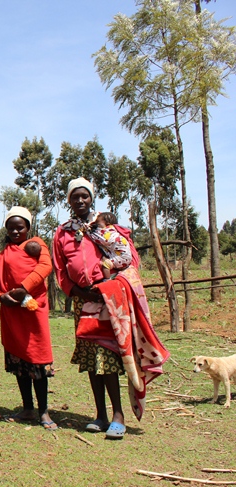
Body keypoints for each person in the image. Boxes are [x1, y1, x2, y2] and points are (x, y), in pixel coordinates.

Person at [53, 178, 168, 439]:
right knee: (90, 358)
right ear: (69, 200)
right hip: (83, 300)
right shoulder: (63, 232)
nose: (80, 201)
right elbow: (61, 270)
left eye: (85, 196)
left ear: (91, 198)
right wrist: (77, 291)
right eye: (75, 197)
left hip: (108, 297)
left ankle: (118, 415)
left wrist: (110, 284)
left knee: (109, 355)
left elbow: (129, 259)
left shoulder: (105, 227)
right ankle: (100, 415)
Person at [0, 207, 57, 430]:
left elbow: (45, 267)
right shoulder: (3, 253)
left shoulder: (38, 245)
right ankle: (28, 408)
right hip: (12, 312)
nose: (15, 231)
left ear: (28, 228)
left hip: (33, 310)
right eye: (11, 228)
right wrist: (2, 297)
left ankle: (44, 412)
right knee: (20, 363)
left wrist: (23, 288)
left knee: (37, 361)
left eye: (20, 227)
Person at [87, 212, 133, 279]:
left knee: (105, 264)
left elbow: (101, 239)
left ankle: (107, 279)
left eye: (98, 224)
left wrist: (88, 232)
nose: (96, 226)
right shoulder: (112, 231)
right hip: (122, 256)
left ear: (107, 223)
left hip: (122, 258)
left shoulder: (109, 233)